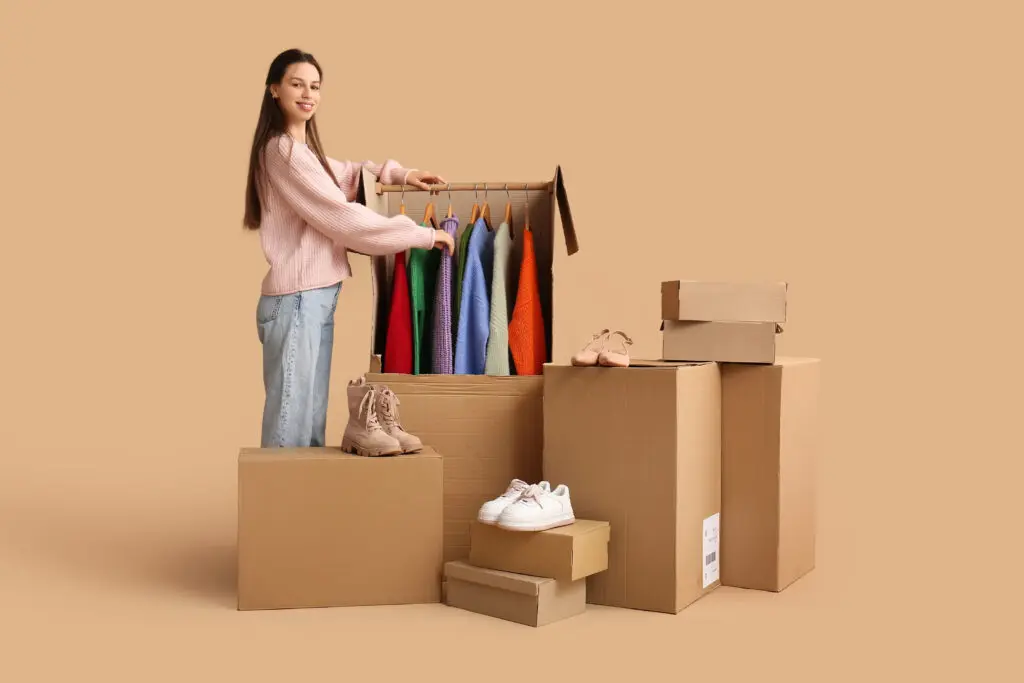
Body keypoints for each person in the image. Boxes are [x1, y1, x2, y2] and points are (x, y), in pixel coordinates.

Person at [242, 48, 454, 449]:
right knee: (291, 426)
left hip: (311, 298)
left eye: (315, 86)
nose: (308, 94)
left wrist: (402, 174)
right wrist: (422, 235)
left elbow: (349, 173)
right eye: (296, 84)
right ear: (274, 89)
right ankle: (279, 510)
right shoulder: (284, 152)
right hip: (298, 300)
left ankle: (301, 508)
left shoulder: (301, 153)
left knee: (308, 423)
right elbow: (343, 218)